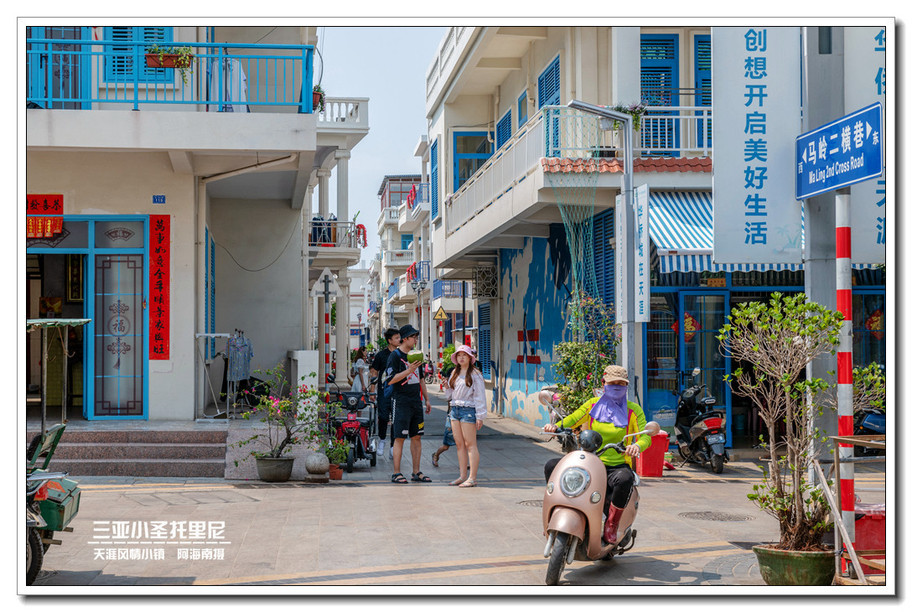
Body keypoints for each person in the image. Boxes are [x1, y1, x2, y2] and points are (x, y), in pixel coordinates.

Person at [543, 364, 651, 544]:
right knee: (552, 466)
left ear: (626, 386)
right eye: (612, 383)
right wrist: (556, 426)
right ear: (603, 384)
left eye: (621, 383)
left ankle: (612, 523)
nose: (616, 386)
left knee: (625, 479)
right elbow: (574, 418)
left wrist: (637, 446)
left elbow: (645, 437)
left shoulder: (634, 410)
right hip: (589, 461)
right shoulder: (592, 406)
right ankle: (555, 512)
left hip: (615, 465)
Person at [385, 324, 433, 484]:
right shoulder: (395, 356)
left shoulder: (416, 355)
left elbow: (420, 379)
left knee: (417, 437)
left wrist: (426, 399)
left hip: (415, 402)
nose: (415, 340)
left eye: (416, 337)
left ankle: (416, 471)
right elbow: (390, 379)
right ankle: (396, 473)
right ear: (405, 338)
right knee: (399, 437)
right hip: (400, 402)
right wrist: (408, 370)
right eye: (413, 337)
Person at [441, 345, 486, 487]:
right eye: (459, 355)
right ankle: (462, 476)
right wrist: (447, 387)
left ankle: (472, 478)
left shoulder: (475, 374)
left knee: (470, 444)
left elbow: (480, 396)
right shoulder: (454, 372)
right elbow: (450, 396)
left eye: (464, 355)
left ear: (470, 358)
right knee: (459, 444)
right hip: (455, 410)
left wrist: (480, 415)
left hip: (468, 410)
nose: (461, 357)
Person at [369, 328, 400, 458]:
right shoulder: (381, 355)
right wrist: (372, 390)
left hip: (398, 393)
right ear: (390, 340)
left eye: (400, 338)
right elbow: (374, 373)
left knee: (396, 419)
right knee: (383, 417)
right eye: (397, 338)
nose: (399, 340)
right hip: (383, 392)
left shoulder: (401, 354)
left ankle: (393, 446)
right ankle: (382, 441)